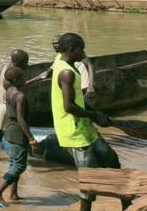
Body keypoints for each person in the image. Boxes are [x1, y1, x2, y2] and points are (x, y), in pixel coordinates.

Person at [52, 32, 119, 211]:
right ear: (72, 49)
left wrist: (94, 112)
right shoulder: (66, 73)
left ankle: (123, 198)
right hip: (73, 131)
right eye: (82, 49)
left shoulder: (63, 60)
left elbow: (78, 100)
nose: (84, 53)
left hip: (84, 125)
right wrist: (95, 116)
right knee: (89, 181)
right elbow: (68, 106)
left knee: (111, 158)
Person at [0, 66, 39, 208]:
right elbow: (21, 119)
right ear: (16, 80)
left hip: (9, 130)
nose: (25, 80)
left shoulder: (8, 91)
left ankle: (13, 194)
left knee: (13, 162)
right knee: (20, 165)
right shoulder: (20, 96)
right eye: (22, 77)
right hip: (18, 133)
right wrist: (32, 139)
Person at [0, 49, 30, 162]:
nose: (27, 65)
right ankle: (14, 167)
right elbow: (15, 93)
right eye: (26, 62)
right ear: (20, 62)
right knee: (15, 142)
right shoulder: (16, 74)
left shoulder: (2, 68)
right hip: (5, 110)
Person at [31, 35, 97, 105]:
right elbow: (46, 74)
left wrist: (91, 85)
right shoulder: (60, 58)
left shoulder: (76, 53)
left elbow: (90, 65)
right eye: (53, 44)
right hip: (75, 86)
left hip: (84, 86)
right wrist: (29, 82)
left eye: (57, 43)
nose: (55, 46)